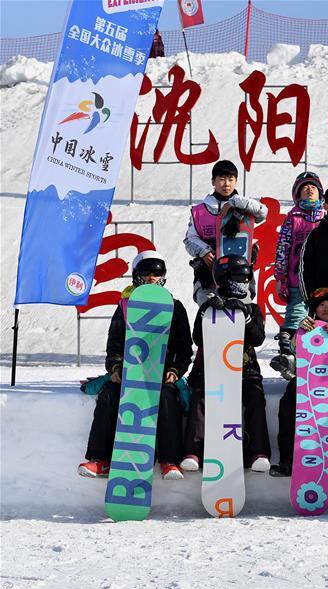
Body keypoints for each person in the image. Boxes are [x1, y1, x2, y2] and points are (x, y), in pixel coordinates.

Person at [78, 251, 192, 480]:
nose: (152, 277)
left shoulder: (174, 307)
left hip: (161, 375)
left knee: (168, 398)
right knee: (109, 394)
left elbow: (184, 347)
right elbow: (115, 344)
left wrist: (174, 370)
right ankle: (100, 460)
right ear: (137, 276)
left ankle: (169, 461)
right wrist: (117, 368)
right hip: (132, 373)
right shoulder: (125, 306)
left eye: (157, 273)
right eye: (147, 272)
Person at [180, 254, 272, 473]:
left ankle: (258, 452)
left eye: (246, 277)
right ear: (224, 278)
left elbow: (258, 338)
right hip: (212, 371)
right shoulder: (210, 306)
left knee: (255, 397)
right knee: (200, 397)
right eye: (239, 277)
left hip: (245, 370)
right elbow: (198, 339)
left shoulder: (252, 308)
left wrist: (246, 316)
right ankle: (193, 451)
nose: (243, 282)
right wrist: (206, 311)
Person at [270, 288, 328, 488]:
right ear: (315, 308)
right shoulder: (307, 325)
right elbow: (294, 350)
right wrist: (299, 334)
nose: (327, 309)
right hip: (307, 381)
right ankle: (287, 462)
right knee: (287, 408)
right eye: (322, 305)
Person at [183, 159, 268, 306]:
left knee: (241, 314)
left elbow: (263, 212)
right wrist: (203, 252)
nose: (226, 184)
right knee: (210, 314)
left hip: (240, 276)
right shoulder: (200, 211)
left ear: (236, 181)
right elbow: (189, 239)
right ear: (213, 181)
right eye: (221, 179)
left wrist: (234, 203)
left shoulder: (245, 207)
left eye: (230, 179)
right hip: (208, 277)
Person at [271, 172, 326, 375]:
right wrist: (280, 277)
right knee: (296, 313)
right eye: (304, 188)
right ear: (297, 195)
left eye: (312, 187)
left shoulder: (326, 216)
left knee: (324, 315)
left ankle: (321, 354)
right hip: (297, 278)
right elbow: (282, 248)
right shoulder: (293, 218)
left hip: (321, 279)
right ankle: (289, 353)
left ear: (320, 193)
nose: (309, 190)